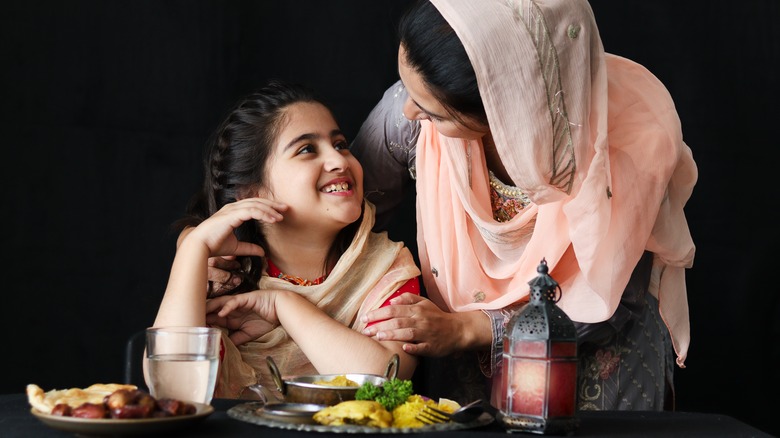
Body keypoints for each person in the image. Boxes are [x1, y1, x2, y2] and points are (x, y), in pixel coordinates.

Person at [202, 0, 697, 411]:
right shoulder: (411, 113)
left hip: (596, 365)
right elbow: (332, 204)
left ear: (504, 111)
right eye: (406, 88)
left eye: (434, 111)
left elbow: (610, 299)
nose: (408, 110)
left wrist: (466, 328)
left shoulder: (627, 139)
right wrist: (220, 247)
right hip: (462, 369)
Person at [149, 80, 421, 399]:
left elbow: (382, 385)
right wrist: (193, 248)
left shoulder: (387, 269)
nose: (339, 161)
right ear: (253, 193)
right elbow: (174, 392)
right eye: (307, 149)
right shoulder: (218, 274)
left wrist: (283, 304)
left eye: (341, 144)